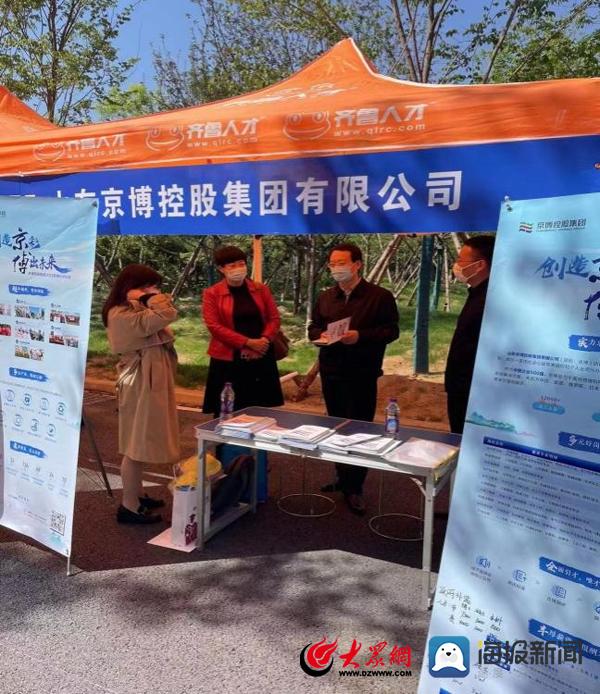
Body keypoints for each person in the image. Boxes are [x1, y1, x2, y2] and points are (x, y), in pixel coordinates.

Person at [308, 242, 399, 515]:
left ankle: (356, 485)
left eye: (341, 263)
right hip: (332, 371)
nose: (336, 268)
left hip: (362, 372)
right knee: (336, 426)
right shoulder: (326, 297)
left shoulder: (379, 296)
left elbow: (391, 331)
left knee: (359, 428)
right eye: (332, 264)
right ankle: (342, 476)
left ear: (357, 264)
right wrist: (321, 336)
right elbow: (313, 327)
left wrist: (360, 336)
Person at [102, 264, 179, 524]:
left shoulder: (133, 309)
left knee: (142, 440)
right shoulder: (121, 314)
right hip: (140, 382)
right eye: (148, 286)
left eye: (154, 286)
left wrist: (143, 298)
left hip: (148, 379)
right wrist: (148, 298)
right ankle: (129, 506)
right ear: (131, 287)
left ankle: (137, 493)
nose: (155, 291)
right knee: (135, 445)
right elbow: (168, 313)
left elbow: (164, 313)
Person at [202, 245, 283, 418]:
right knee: (228, 409)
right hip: (228, 358)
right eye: (232, 265)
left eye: (241, 264)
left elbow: (274, 318)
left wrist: (264, 340)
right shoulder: (212, 293)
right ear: (221, 269)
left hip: (261, 353)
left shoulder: (261, 289)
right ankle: (225, 436)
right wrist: (247, 343)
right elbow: (214, 326)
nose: (238, 269)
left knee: (261, 408)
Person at [445, 235, 495, 434]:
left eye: (460, 260)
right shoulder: (476, 293)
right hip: (461, 385)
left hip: (474, 389)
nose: (456, 265)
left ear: (480, 265)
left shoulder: (491, 298)